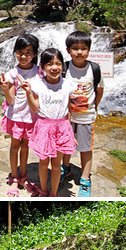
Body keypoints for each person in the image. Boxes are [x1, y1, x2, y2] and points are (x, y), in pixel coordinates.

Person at [20, 48, 75, 197]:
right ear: (43, 67)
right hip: (44, 127)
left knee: (57, 165)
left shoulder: (68, 84)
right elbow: (35, 108)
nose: (54, 67)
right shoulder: (37, 84)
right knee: (43, 163)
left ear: (63, 66)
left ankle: (54, 192)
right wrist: (29, 93)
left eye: (58, 63)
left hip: (62, 127)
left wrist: (70, 130)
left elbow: (69, 109)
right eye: (50, 64)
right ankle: (44, 190)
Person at [63, 30, 105, 197]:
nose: (79, 52)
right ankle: (65, 169)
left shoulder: (94, 69)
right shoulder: (64, 68)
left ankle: (85, 178)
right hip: (66, 117)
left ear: (89, 50)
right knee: (65, 145)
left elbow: (99, 91)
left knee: (86, 148)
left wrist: (92, 108)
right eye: (75, 48)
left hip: (87, 117)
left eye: (83, 48)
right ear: (68, 50)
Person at [0, 34, 40, 196]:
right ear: (15, 52)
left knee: (25, 146)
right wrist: (4, 88)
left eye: (28, 52)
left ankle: (24, 176)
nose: (24, 56)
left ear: (35, 54)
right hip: (15, 116)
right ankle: (14, 177)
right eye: (20, 52)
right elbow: (11, 99)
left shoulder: (39, 72)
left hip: (31, 117)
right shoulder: (11, 74)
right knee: (15, 146)